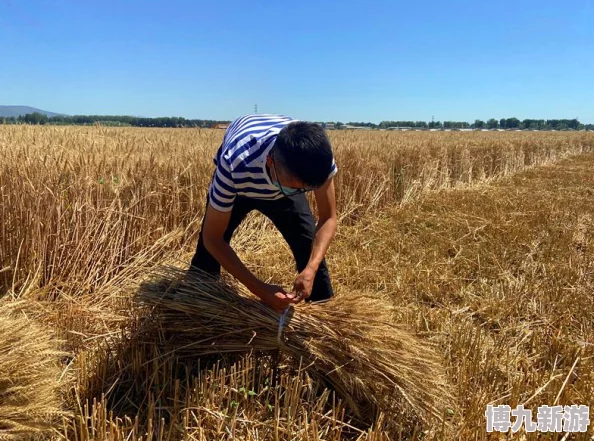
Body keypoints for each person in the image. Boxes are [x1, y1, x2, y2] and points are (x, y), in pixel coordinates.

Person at [190, 114, 338, 312]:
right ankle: (199, 303)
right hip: (242, 183)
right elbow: (212, 238)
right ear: (270, 162)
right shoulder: (234, 164)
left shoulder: (318, 159)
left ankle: (326, 316)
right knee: (206, 255)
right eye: (293, 188)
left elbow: (328, 217)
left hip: (283, 176)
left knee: (307, 242)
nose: (299, 194)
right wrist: (259, 289)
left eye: (305, 189)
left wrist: (311, 268)